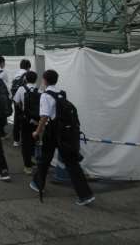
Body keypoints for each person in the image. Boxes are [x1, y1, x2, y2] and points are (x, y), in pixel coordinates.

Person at [30, 69, 95, 206]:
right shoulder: (61, 93)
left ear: (45, 80)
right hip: (65, 132)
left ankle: (38, 184)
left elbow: (44, 116)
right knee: (71, 163)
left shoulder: (45, 95)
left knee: (45, 158)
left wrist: (37, 132)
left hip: (52, 132)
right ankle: (85, 194)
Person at [14, 70, 40, 174]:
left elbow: (16, 101)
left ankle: (27, 166)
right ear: (36, 79)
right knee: (34, 140)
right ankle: (33, 159)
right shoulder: (39, 90)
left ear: (25, 79)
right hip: (36, 120)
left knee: (25, 143)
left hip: (26, 119)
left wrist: (23, 109)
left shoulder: (21, 89)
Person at [11, 59, 32, 147]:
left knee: (17, 118)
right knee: (27, 118)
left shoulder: (16, 74)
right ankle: (28, 139)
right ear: (28, 67)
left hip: (16, 98)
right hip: (25, 100)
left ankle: (16, 140)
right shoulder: (27, 74)